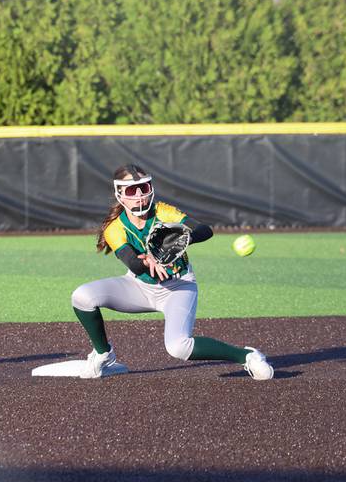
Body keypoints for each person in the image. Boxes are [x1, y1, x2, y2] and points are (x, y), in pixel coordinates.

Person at [72, 163, 274, 380]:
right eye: (132, 190)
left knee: (179, 347)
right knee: (82, 297)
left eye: (144, 188)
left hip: (178, 287)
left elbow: (204, 230)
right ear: (120, 194)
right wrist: (150, 259)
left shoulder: (162, 211)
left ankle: (247, 356)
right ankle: (103, 354)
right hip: (139, 287)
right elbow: (133, 263)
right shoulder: (115, 229)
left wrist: (180, 238)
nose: (140, 196)